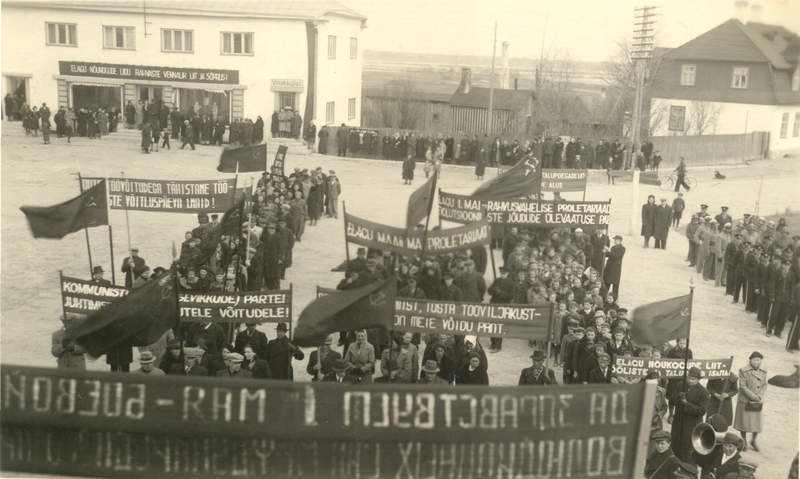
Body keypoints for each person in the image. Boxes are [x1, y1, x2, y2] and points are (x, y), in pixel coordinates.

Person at [670, 367, 710, 463]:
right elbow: (671, 400)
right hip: (678, 422)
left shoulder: (703, 392)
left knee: (686, 449)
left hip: (691, 425)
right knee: (674, 445)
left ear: (698, 380)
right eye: (689, 378)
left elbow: (702, 411)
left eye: (693, 379)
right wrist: (677, 397)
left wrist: (686, 403)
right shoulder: (680, 385)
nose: (690, 381)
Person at [734, 351, 767, 452]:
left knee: (756, 424)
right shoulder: (743, 371)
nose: (756, 362)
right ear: (750, 360)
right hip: (745, 400)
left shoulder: (763, 371)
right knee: (743, 423)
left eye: (758, 360)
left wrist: (759, 396)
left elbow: (764, 385)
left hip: (757, 401)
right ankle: (744, 441)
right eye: (754, 360)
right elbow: (742, 387)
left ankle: (753, 440)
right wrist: (753, 397)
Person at [604, 235, 626, 300]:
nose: (615, 241)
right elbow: (609, 255)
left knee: (615, 285)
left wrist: (608, 251)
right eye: (615, 240)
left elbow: (615, 255)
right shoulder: (613, 247)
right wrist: (605, 252)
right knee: (607, 283)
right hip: (609, 267)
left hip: (616, 269)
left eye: (616, 240)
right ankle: (604, 296)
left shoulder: (622, 248)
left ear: (620, 241)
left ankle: (614, 298)